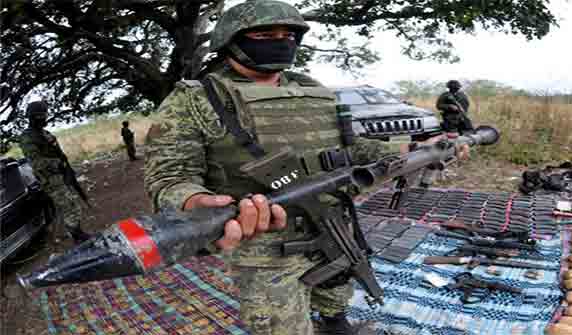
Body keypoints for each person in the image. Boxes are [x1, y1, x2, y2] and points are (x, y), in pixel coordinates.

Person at [143, 1, 469, 334]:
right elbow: (170, 176)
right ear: (232, 40)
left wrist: (414, 149)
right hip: (266, 243)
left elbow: (351, 148)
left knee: (338, 292)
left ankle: (334, 322)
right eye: (265, 34)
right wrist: (194, 202)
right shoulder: (196, 99)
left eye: (289, 34)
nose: (281, 41)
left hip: (332, 222)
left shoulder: (312, 88)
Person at [18, 101, 91, 245]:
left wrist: (66, 168)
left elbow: (58, 154)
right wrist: (57, 163)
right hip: (51, 180)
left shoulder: (45, 134)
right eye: (43, 115)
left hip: (61, 175)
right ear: (36, 117)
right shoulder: (28, 138)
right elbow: (36, 163)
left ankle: (77, 232)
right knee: (68, 206)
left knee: (71, 204)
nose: (46, 118)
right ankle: (77, 237)